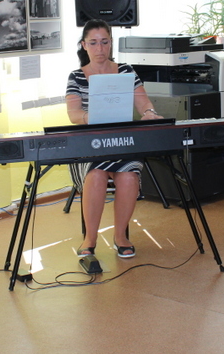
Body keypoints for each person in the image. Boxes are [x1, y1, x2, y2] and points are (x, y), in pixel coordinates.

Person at [65, 19, 162, 259]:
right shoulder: (76, 77)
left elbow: (144, 103)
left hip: (122, 142)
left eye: (105, 42)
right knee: (96, 175)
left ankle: (121, 237)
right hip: (90, 144)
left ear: (111, 43)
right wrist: (90, 117)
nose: (100, 48)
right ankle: (90, 239)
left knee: (129, 177)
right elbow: (73, 114)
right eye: (93, 43)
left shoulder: (126, 71)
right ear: (84, 45)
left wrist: (149, 113)